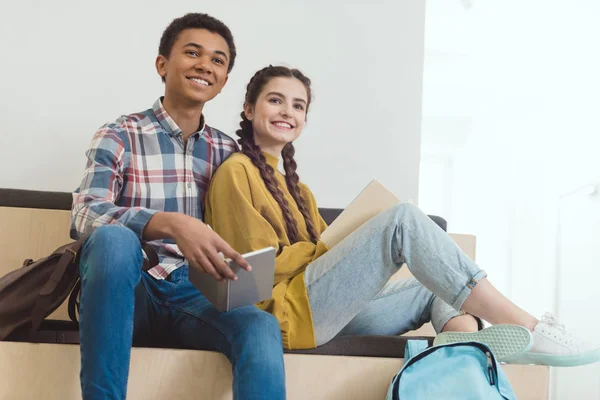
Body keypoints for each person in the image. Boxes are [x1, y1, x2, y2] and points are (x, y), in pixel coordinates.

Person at [204, 65, 600, 367]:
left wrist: (339, 245)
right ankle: (530, 328)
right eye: (276, 100)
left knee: (436, 285)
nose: (287, 111)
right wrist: (334, 248)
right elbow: (253, 267)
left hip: (324, 311)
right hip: (284, 314)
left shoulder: (299, 189)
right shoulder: (235, 172)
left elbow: (323, 258)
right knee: (404, 217)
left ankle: (467, 355)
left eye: (298, 105)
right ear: (249, 108)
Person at [71, 14, 286, 400]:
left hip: (196, 297)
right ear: (162, 65)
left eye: (218, 60)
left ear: (223, 81)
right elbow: (85, 214)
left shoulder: (230, 154)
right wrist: (169, 223)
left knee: (260, 325)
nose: (206, 65)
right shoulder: (120, 134)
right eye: (193, 53)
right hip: (130, 290)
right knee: (114, 242)